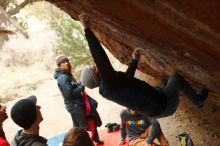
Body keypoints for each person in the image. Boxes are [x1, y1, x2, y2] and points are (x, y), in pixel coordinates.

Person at [79, 13, 208, 118]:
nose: (94, 65)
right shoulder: (109, 83)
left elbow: (127, 78)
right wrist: (87, 29)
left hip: (157, 105)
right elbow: (101, 59)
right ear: (95, 76)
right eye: (93, 68)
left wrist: (135, 60)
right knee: (176, 78)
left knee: (165, 83)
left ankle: (170, 90)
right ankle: (198, 101)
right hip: (164, 105)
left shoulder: (110, 86)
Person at [54, 55, 103, 144]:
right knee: (84, 128)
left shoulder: (66, 74)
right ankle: (86, 143)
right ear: (59, 65)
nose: (67, 63)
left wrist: (80, 83)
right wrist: (82, 86)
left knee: (79, 126)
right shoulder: (63, 78)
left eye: (67, 60)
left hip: (76, 104)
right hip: (75, 106)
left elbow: (73, 85)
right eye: (63, 62)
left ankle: (95, 139)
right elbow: (70, 93)